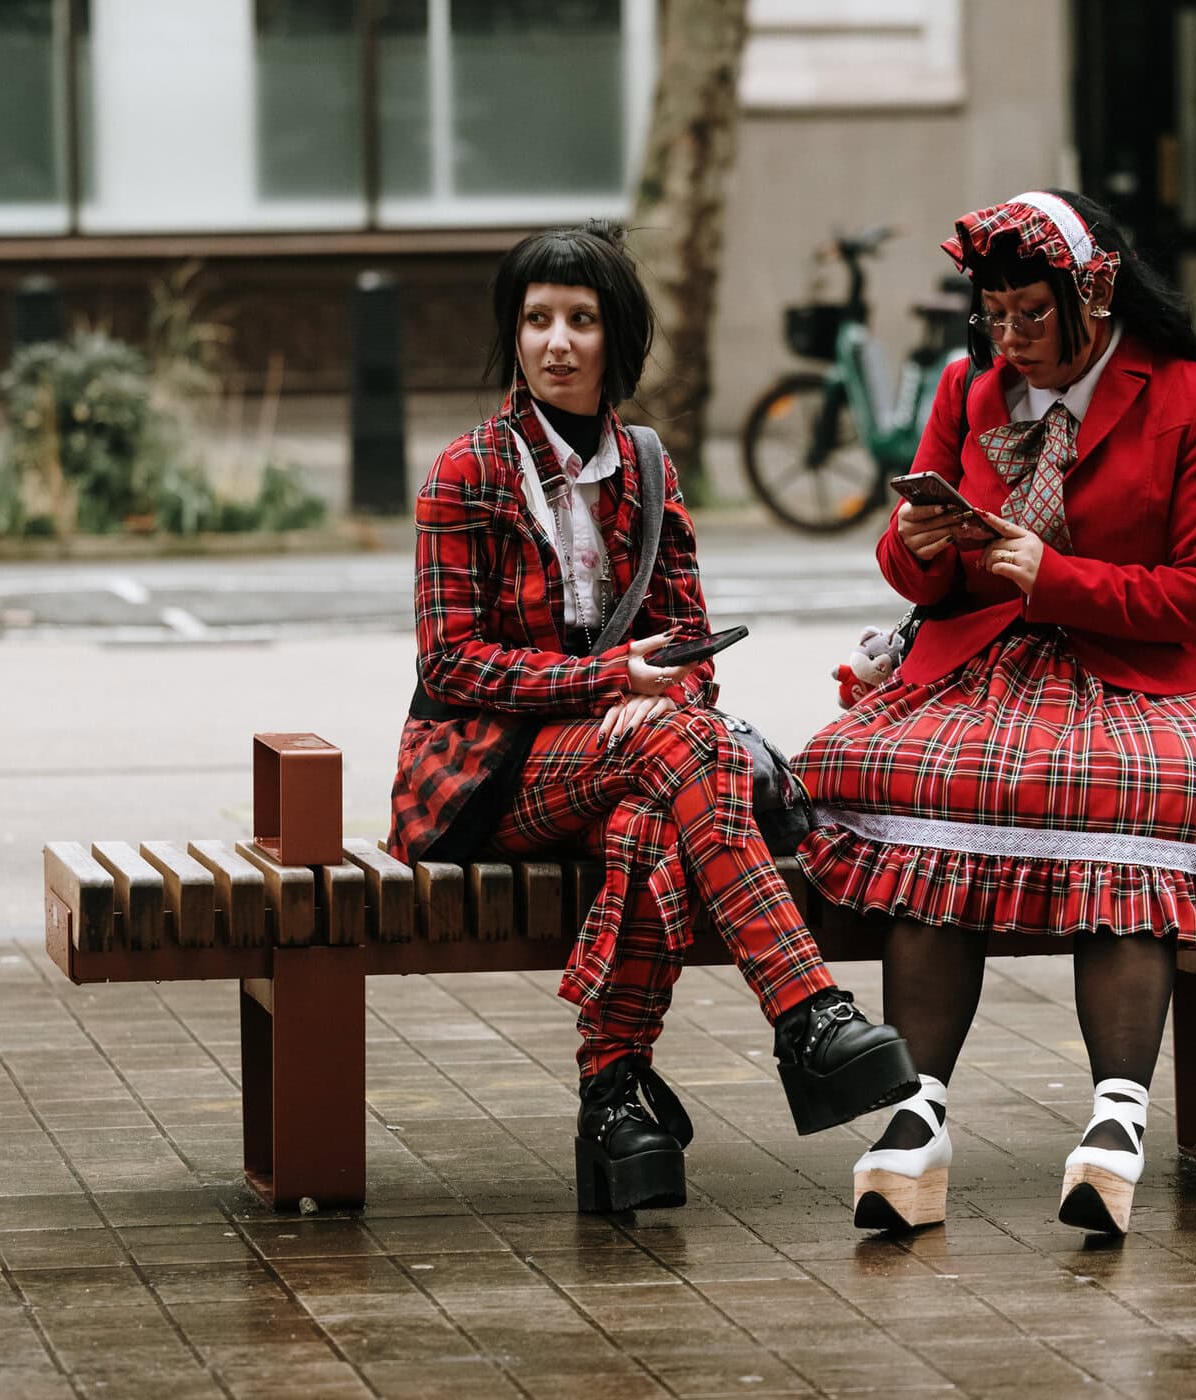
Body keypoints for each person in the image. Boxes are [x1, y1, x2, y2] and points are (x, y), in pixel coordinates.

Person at [795, 190, 1196, 1236]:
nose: (1007, 340)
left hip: (1147, 672)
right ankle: (916, 1116)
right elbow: (919, 583)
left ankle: (1116, 1120)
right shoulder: (971, 388)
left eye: (1029, 315)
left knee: (1135, 794)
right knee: (922, 782)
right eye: (990, 316)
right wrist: (924, 542)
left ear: (1094, 293)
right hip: (980, 667)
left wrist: (1056, 577)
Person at [387, 222, 916, 1214]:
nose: (555, 340)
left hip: (628, 766)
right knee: (682, 750)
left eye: (580, 320)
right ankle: (807, 1011)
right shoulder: (468, 471)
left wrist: (659, 693)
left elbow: (692, 653)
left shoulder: (650, 471)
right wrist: (607, 689)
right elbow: (450, 663)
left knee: (654, 813)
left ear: (614, 338)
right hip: (480, 774)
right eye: (536, 318)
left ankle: (614, 1094)